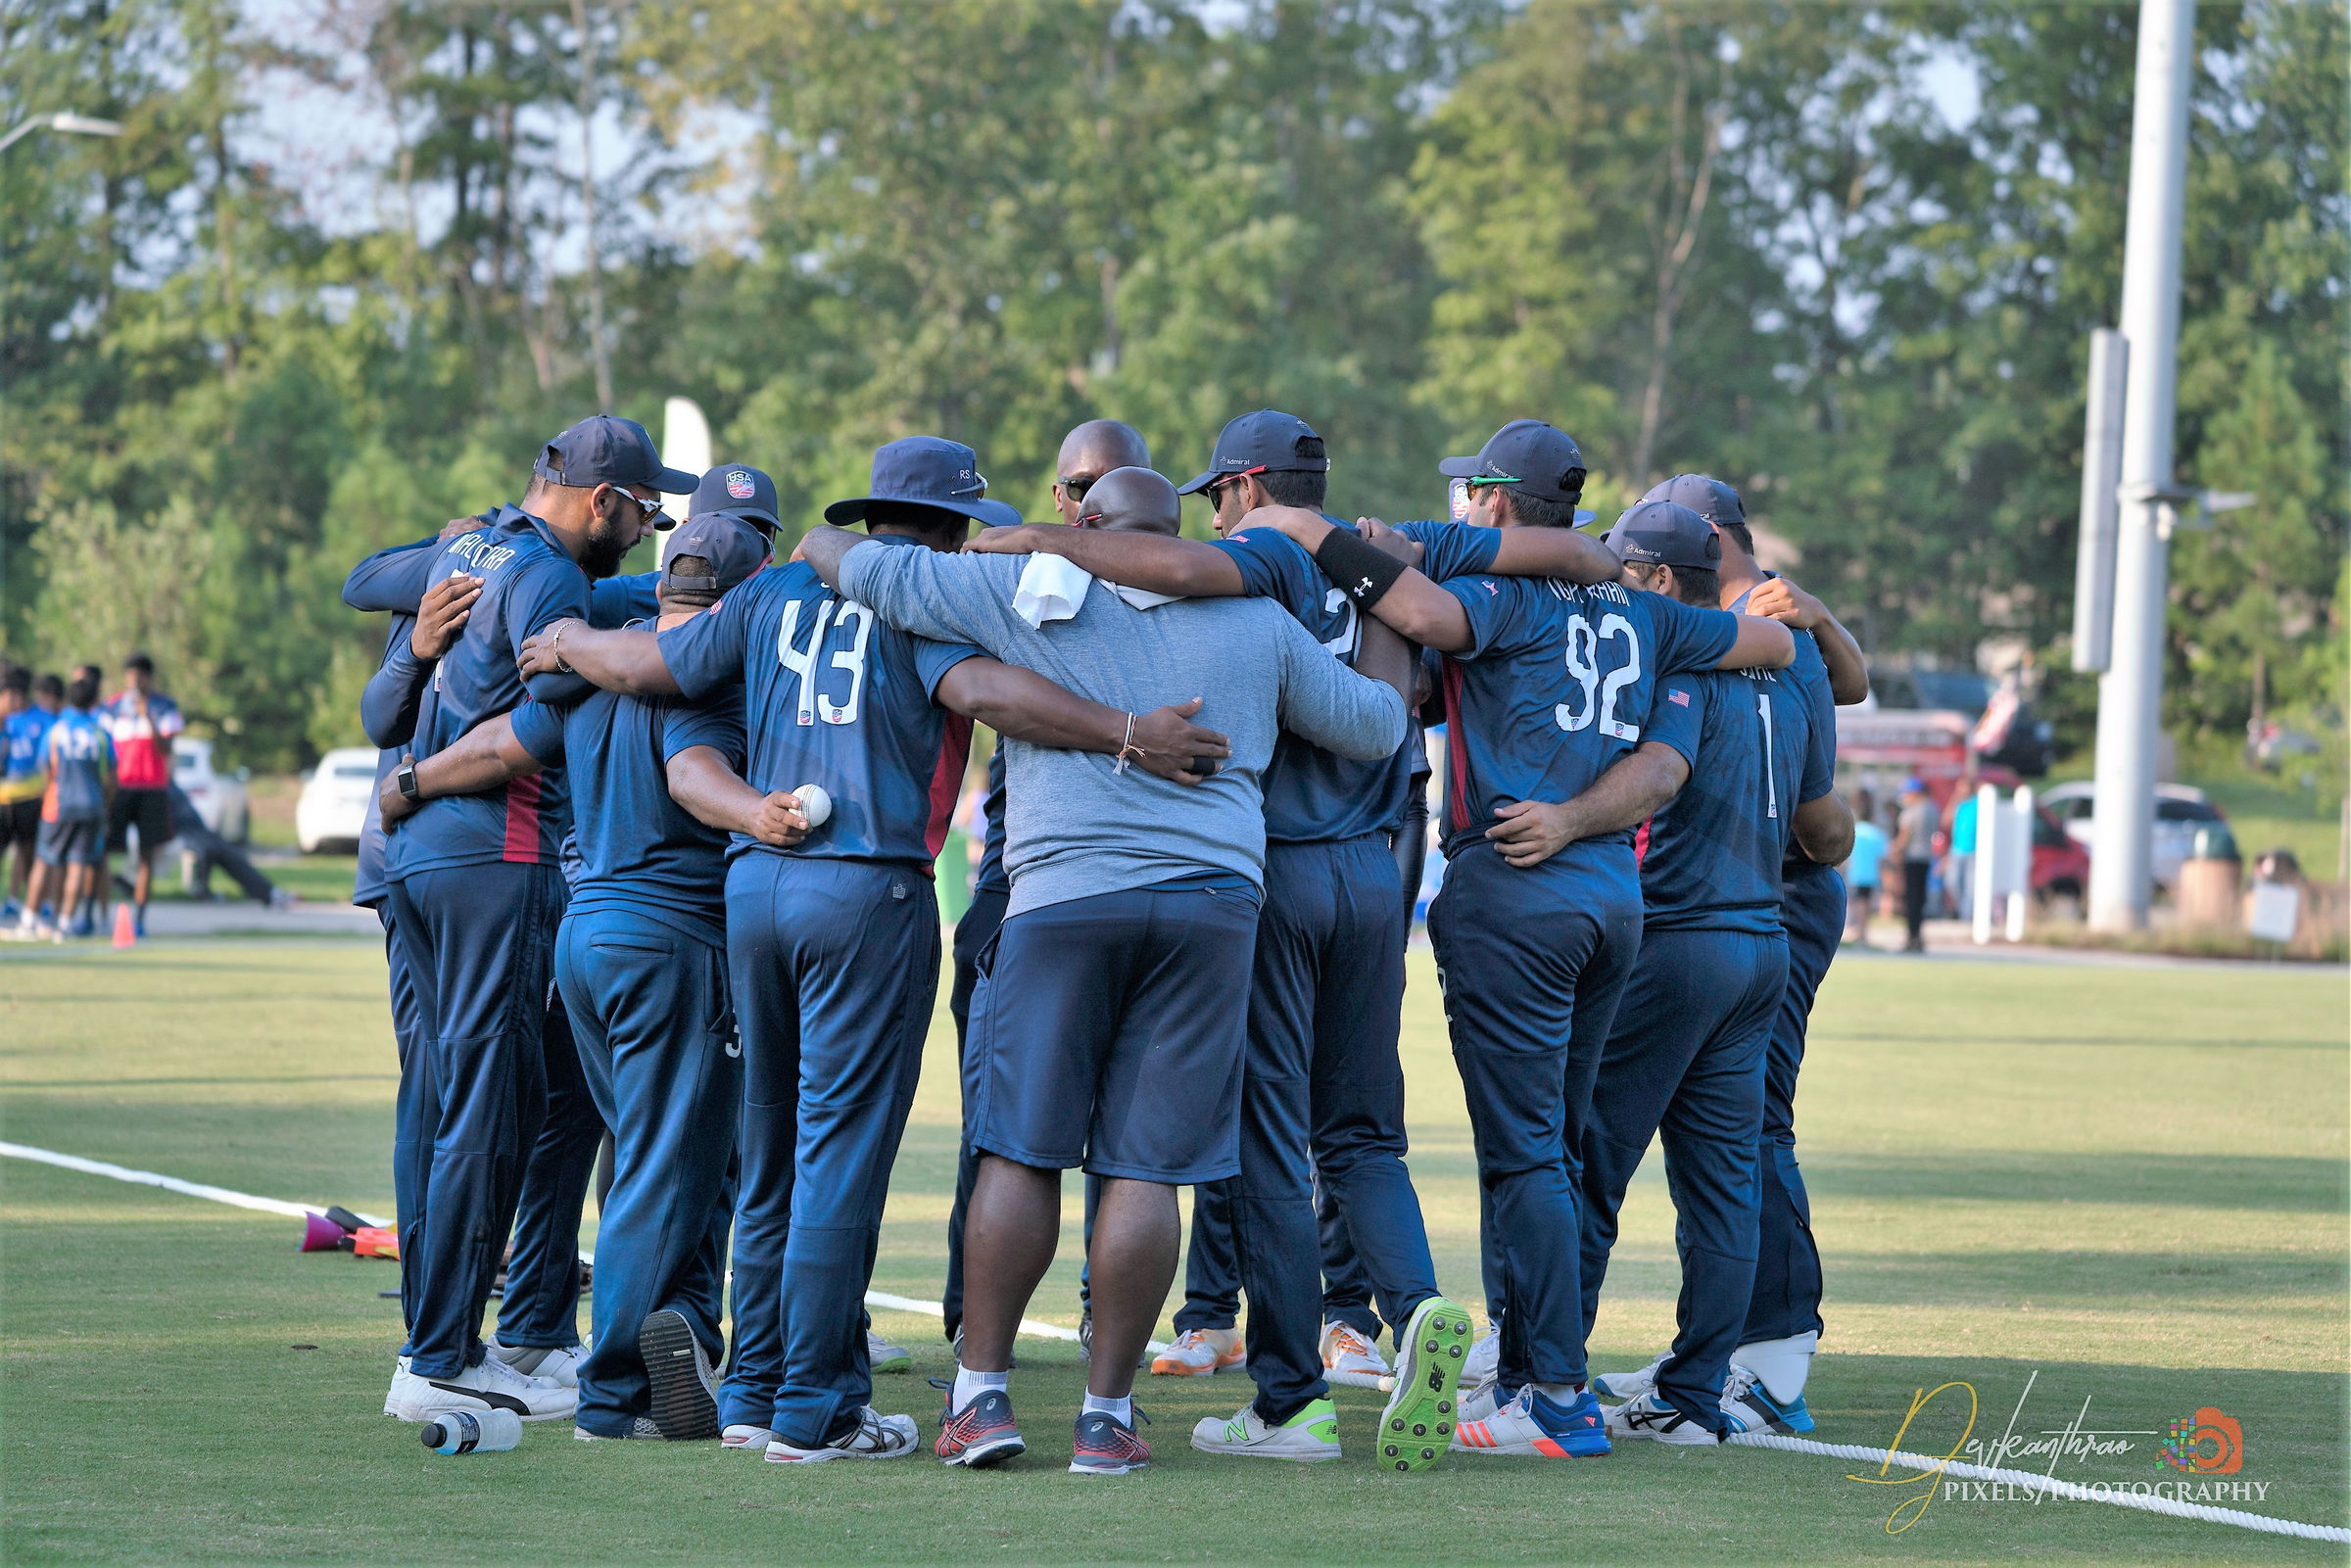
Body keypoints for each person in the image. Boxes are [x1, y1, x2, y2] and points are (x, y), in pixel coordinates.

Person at [523, 436, 1233, 1466]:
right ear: (946, 528)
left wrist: (564, 644)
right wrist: (1126, 730)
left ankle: (755, 1392)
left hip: (757, 887)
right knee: (838, 1158)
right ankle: (817, 1409)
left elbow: (659, 663)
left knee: (764, 1154)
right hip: (869, 886)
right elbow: (988, 695)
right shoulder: (924, 599)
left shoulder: (768, 594)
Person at [970, 410, 1623, 1466]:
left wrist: (1042, 538)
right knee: (1365, 1129)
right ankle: (1411, 1310)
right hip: (1376, 876)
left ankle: (1292, 1399)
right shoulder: (1399, 542)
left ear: (1247, 485)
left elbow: (1145, 566)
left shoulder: (1239, 559)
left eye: (1217, 489)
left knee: (1271, 1138)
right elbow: (1584, 552)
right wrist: (1375, 556)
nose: (1211, 509)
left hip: (1270, 873)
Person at [792, 460, 1409, 1479]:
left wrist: (861, 539)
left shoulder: (1023, 586)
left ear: (1081, 521)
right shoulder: (1255, 619)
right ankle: (1105, 1416)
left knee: (1021, 1150)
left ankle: (982, 1396)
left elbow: (852, 563)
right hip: (1213, 906)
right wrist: (1388, 596)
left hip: (1064, 897)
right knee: (1146, 1164)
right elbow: (1378, 726)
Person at [1259, 454, 1795, 1460]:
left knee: (1528, 1152)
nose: (1461, 500)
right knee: (1558, 1143)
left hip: (1515, 888)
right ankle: (1539, 1367)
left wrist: (1310, 531)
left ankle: (1549, 1391)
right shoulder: (1646, 611)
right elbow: (1768, 636)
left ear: (1498, 502)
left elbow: (1416, 615)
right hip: (1614, 901)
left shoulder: (1504, 596)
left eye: (1472, 490)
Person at [381, 508, 776, 1443]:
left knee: (663, 1152)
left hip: (583, 938)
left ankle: (678, 1339)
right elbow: (692, 775)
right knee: (663, 1163)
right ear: (742, 598)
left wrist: (409, 782)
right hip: (672, 938)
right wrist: (765, 815)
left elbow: (500, 750)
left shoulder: (595, 665)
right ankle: (610, 1391)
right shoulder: (721, 671)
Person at [345, 514, 660, 1393]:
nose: (647, 531)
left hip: (406, 857)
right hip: (486, 856)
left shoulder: (471, 563)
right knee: (489, 1109)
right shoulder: (529, 573)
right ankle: (441, 1352)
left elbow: (367, 590)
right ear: (601, 501)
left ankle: (450, 1334)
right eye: (641, 509)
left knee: (450, 1097)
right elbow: (532, 731)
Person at [1574, 506, 1852, 1446]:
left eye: (1624, 569)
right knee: (1726, 1180)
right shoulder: (1790, 658)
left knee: (1590, 1164)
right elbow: (1827, 827)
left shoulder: (1674, 656)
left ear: (1658, 579)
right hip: (1762, 941)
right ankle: (1694, 1396)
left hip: (1679, 938)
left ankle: (1546, 1380)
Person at [940, 417, 1152, 1361]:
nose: (1080, 506)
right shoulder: (1030, 587)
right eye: (1071, 489)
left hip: (1139, 898)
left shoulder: (1184, 599)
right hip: (1021, 894)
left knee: (1136, 1146)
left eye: (1101, 490)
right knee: (1004, 1128)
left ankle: (1119, 1338)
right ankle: (972, 1329)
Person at [19, 670, 116, 940]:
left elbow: (46, 770)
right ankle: (64, 924)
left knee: (44, 861)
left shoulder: (57, 730)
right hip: (91, 806)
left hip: (58, 806)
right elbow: (110, 776)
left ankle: (29, 920)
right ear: (93, 700)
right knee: (77, 865)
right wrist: (103, 803)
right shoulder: (100, 733)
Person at [98, 653, 185, 937]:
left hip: (152, 789)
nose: (135, 681)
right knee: (100, 852)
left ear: (149, 677)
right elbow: (104, 749)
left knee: (147, 855)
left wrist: (148, 716)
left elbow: (167, 749)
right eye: (130, 676)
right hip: (121, 789)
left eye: (140, 676)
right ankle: (95, 912)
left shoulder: (165, 706)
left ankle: (140, 918)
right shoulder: (113, 707)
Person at [3, 671, 62, 920]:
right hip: (4, 798)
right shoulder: (5, 721)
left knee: (30, 854)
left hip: (31, 797)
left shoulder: (45, 719)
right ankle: (12, 899)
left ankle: (34, 903)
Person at [1893, 779, 1939, 953]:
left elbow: (1903, 840)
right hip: (1926, 859)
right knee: (1919, 900)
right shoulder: (1932, 809)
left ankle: (1911, 938)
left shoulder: (1910, 813)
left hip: (1911, 859)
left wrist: (1892, 851)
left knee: (1910, 900)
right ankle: (1918, 937)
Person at [1843, 791, 1887, 944]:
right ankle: (1863, 931)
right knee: (1866, 903)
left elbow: (1847, 855)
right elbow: (1882, 857)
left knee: (1858, 903)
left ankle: (1860, 931)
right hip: (1871, 874)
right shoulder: (1877, 833)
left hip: (1856, 873)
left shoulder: (1855, 830)